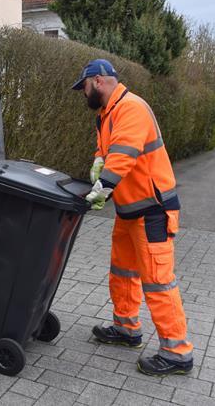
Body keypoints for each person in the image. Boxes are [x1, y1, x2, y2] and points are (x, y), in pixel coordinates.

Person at [71, 59, 193, 376]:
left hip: (152, 210)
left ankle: (177, 352)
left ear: (98, 81)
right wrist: (99, 163)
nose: (83, 94)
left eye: (83, 87)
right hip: (129, 210)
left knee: (158, 282)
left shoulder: (131, 108)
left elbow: (124, 155)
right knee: (122, 270)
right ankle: (126, 329)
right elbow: (106, 150)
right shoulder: (106, 113)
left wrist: (102, 188)